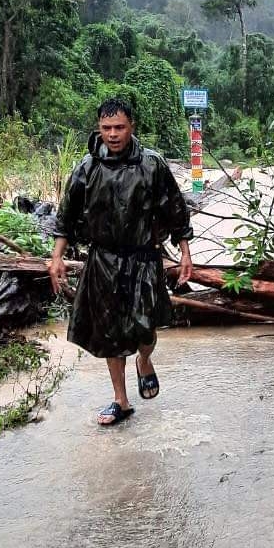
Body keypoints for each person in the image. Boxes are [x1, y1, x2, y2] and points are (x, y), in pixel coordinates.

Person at [47, 97, 193, 425]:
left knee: (145, 328)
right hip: (103, 259)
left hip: (142, 257)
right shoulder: (86, 168)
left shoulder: (152, 165)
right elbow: (66, 217)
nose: (113, 134)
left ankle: (144, 360)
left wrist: (185, 252)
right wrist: (55, 258)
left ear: (132, 127)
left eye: (120, 128)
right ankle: (121, 400)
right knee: (109, 332)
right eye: (106, 128)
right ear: (99, 129)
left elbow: (176, 209)